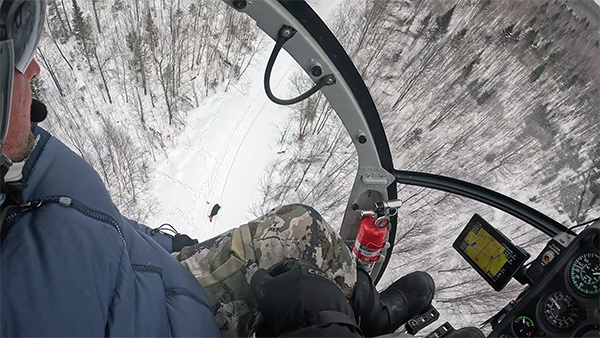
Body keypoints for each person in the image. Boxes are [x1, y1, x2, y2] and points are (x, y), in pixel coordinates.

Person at [0, 1, 486, 337]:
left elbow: (106, 228)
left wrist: (172, 247)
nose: (35, 70)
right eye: (15, 64)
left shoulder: (20, 170)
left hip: (159, 279)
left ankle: (373, 316)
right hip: (174, 323)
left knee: (304, 229)